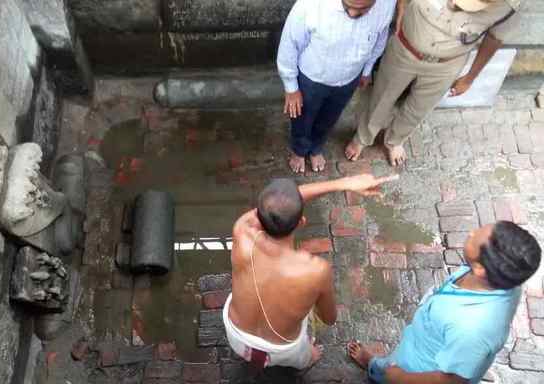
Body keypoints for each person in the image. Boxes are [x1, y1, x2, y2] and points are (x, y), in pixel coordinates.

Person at [223, 174, 398, 371]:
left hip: (236, 335)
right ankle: (309, 359)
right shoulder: (315, 270)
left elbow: (275, 205)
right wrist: (343, 183)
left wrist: (344, 183)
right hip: (283, 349)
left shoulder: (241, 230)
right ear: (301, 222)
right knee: (303, 358)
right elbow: (328, 319)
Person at [348, 221, 541, 383]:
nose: (471, 232)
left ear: (481, 268)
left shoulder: (473, 330)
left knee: (387, 372)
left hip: (419, 370)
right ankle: (375, 366)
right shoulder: (504, 279)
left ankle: (372, 365)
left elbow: (451, 380)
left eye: (475, 236)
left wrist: (401, 377)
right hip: (422, 343)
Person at [345, 0, 521, 166]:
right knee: (382, 97)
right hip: (404, 49)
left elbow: (494, 39)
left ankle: (395, 140)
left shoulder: (508, 6)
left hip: (446, 64)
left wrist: (469, 78)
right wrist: (401, 7)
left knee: (418, 109)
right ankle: (363, 137)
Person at [277, 0, 396, 174]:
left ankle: (316, 147)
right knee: (302, 119)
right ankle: (299, 150)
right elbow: (289, 46)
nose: (353, 14)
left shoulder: (387, 4)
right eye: (347, 6)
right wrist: (291, 88)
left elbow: (380, 37)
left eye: (363, 9)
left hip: (349, 80)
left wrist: (367, 70)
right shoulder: (309, 6)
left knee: (329, 119)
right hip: (311, 80)